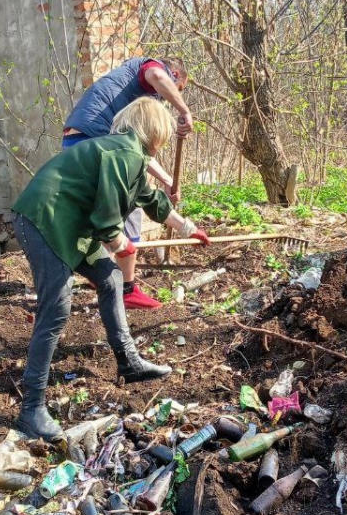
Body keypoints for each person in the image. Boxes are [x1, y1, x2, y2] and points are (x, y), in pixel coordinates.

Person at [11, 96, 210, 442]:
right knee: (56, 309)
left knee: (111, 277)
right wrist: (120, 244)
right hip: (44, 220)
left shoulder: (131, 156)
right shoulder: (124, 153)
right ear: (155, 128)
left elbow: (151, 200)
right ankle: (31, 409)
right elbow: (106, 219)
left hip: (69, 224)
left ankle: (129, 361)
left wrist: (189, 229)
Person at [62, 54, 194, 308]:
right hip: (93, 135)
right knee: (129, 201)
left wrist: (167, 181)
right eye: (177, 90)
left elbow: (137, 156)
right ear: (174, 76)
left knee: (99, 206)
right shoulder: (152, 69)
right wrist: (184, 110)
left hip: (77, 138)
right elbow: (157, 76)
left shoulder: (126, 97)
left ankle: (102, 273)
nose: (166, 98)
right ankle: (126, 288)